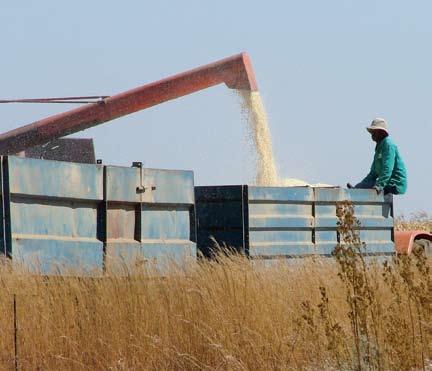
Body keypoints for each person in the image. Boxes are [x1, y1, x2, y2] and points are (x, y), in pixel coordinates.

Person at [347, 118, 407, 195]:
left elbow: (387, 169)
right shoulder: (379, 148)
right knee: (363, 185)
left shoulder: (388, 145)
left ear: (382, 132)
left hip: (394, 184)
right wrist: (359, 187)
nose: (372, 134)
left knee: (366, 187)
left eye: (374, 131)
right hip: (386, 182)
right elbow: (373, 173)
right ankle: (355, 190)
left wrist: (379, 186)